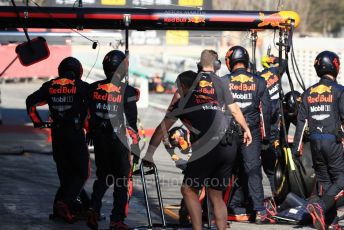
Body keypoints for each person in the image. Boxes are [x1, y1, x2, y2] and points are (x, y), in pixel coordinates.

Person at [143, 49, 252, 230]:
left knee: (188, 189)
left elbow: (161, 129)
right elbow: (234, 110)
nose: (177, 90)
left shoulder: (183, 103)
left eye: (178, 87)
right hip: (229, 144)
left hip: (209, 147)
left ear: (184, 87)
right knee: (216, 195)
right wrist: (246, 129)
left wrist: (149, 154)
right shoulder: (215, 92)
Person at [26, 57, 90, 223]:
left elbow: (30, 101)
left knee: (66, 175)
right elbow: (95, 107)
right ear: (78, 71)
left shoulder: (50, 86)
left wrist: (38, 122)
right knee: (82, 173)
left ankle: (75, 207)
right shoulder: (82, 87)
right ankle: (65, 203)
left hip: (57, 135)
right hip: (75, 135)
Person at [86, 50, 140, 230]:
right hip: (119, 142)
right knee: (121, 182)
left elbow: (87, 115)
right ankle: (117, 220)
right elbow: (131, 124)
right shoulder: (129, 91)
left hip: (99, 141)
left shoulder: (92, 88)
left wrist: (91, 132)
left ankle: (93, 208)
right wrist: (136, 149)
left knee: (102, 177)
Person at [292, 51, 344, 230]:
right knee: (341, 178)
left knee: (326, 181)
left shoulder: (308, 93)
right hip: (333, 142)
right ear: (335, 66)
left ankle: (331, 221)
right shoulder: (340, 91)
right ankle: (320, 207)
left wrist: (295, 151)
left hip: (314, 143)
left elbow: (300, 125)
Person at [223, 46, 272, 223]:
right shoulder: (259, 82)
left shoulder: (223, 81)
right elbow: (265, 112)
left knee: (226, 171)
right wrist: (265, 137)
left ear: (230, 61)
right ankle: (259, 210)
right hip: (251, 132)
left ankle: (221, 208)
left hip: (228, 133)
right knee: (253, 170)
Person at [258, 52, 286, 194]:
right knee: (272, 171)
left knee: (254, 171)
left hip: (260, 133)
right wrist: (272, 59)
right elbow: (284, 63)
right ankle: (278, 198)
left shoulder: (257, 80)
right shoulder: (273, 73)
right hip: (274, 131)